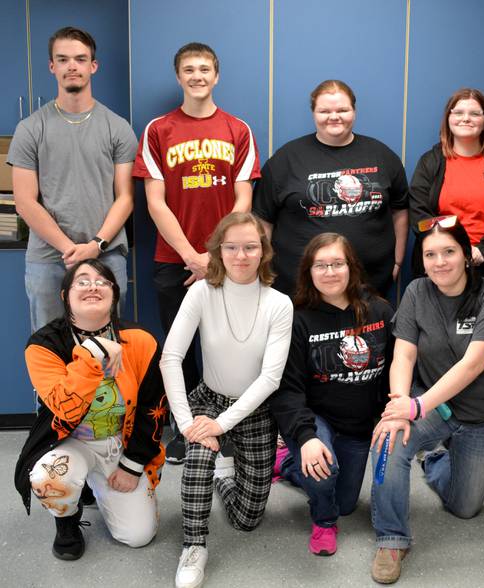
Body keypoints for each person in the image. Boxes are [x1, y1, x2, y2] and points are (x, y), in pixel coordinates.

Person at [133, 41, 261, 464]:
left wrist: (214, 257)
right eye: (188, 69)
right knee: (180, 348)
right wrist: (192, 256)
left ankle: (229, 423)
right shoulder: (158, 129)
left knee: (228, 343)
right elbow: (155, 201)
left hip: (229, 261)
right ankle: (185, 427)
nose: (197, 76)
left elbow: (245, 196)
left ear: (216, 75)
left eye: (204, 68)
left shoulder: (238, 129)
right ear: (179, 76)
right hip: (174, 262)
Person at [370, 216, 484, 584]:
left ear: (467, 255)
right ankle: (391, 539)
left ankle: (434, 457)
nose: (440, 262)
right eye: (431, 254)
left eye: (449, 251)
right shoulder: (417, 292)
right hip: (434, 406)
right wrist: (401, 406)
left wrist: (417, 406)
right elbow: (403, 355)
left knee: (464, 508)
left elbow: (473, 365)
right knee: (388, 441)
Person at [160, 212, 292, 588]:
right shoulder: (201, 291)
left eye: (250, 247)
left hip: (255, 409)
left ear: (263, 251)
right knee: (199, 456)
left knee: (247, 519)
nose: (240, 255)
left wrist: (223, 425)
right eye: (231, 247)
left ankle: (224, 475)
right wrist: (187, 424)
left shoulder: (279, 303)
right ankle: (193, 545)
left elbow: (270, 378)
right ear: (218, 250)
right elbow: (170, 358)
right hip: (208, 401)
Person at [14, 259, 167, 561]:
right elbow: (64, 407)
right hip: (71, 444)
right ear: (64, 296)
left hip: (119, 445)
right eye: (81, 281)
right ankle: (67, 520)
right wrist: (92, 354)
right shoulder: (43, 345)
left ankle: (95, 485)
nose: (93, 286)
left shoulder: (141, 340)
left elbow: (155, 409)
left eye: (102, 281)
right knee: (50, 479)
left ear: (114, 293)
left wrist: (132, 464)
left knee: (138, 536)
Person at [269, 233, 394, 556]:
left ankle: (288, 465)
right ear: (308, 272)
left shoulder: (379, 310)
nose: (329, 272)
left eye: (337, 263)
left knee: (347, 503)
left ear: (351, 266)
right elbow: (288, 389)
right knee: (325, 479)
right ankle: (324, 522)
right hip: (315, 417)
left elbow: (395, 370)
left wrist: (389, 413)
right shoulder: (298, 318)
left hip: (359, 423)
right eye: (320, 265)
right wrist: (306, 436)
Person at [8, 27, 137, 331]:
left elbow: (126, 197)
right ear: (52, 66)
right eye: (63, 59)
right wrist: (70, 249)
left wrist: (94, 245)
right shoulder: (30, 128)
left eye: (80, 59)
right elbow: (25, 202)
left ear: (93, 66)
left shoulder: (118, 128)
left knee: (108, 346)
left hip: (106, 256)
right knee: (51, 348)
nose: (72, 66)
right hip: (48, 259)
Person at [253, 79, 409, 297]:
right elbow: (263, 219)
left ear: (354, 111)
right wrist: (263, 269)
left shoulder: (382, 155)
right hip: (299, 288)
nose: (334, 116)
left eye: (342, 110)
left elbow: (400, 209)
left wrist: (398, 260)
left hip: (370, 285)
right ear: (314, 113)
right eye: (324, 110)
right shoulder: (286, 159)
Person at [409, 88, 484, 293]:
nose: (466, 118)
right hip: (442, 267)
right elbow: (419, 215)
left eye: (474, 113)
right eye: (458, 112)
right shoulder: (431, 162)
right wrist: (450, 252)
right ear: (449, 118)